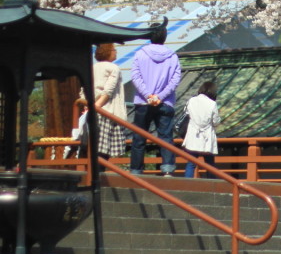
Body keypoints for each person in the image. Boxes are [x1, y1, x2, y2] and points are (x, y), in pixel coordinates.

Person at [129, 27, 180, 176]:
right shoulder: (173, 56)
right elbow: (175, 80)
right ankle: (168, 168)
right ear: (165, 37)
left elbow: (135, 76)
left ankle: (136, 169)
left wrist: (148, 95)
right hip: (165, 102)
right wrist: (160, 96)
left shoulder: (140, 54)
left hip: (143, 102)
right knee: (165, 137)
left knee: (139, 137)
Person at [90, 42, 128, 158]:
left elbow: (85, 89)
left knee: (95, 147)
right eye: (114, 50)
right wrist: (98, 106)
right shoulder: (114, 68)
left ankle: (96, 173)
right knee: (105, 150)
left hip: (94, 110)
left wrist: (89, 106)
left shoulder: (92, 67)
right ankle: (99, 174)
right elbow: (108, 90)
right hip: (108, 112)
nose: (116, 52)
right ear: (108, 52)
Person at [183, 81, 221, 178]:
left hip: (193, 134)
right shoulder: (212, 104)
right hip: (207, 136)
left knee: (191, 163)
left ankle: (187, 185)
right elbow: (216, 121)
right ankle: (212, 187)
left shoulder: (191, 101)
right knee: (210, 164)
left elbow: (186, 113)